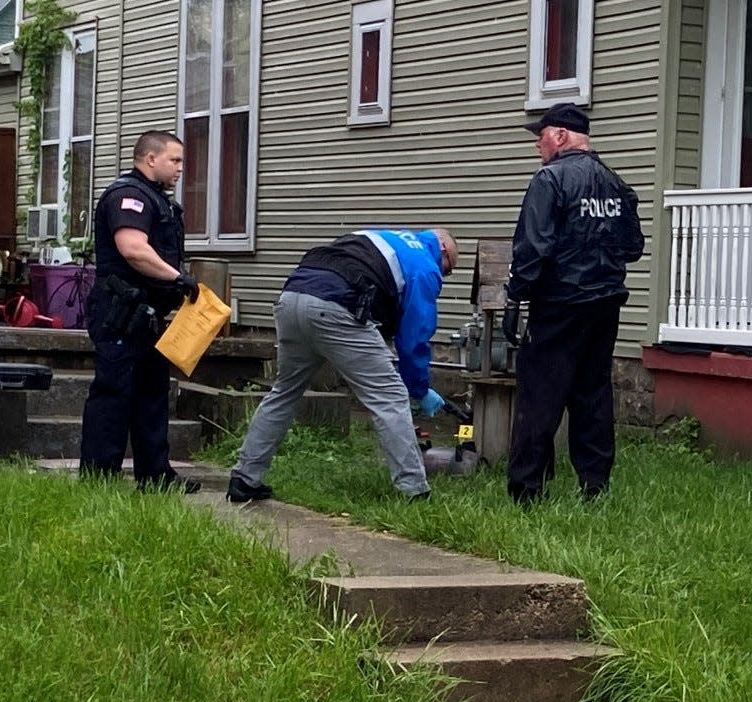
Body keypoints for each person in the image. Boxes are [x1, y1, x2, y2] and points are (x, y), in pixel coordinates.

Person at [226, 228, 459, 503]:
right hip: (337, 307)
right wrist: (419, 388)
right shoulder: (425, 264)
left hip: (292, 298)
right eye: (449, 268)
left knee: (285, 391)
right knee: (390, 397)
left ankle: (244, 479)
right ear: (443, 248)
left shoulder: (386, 239)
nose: (443, 275)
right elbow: (414, 338)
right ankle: (414, 491)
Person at [502, 102, 645, 504]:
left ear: (561, 136)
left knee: (540, 396)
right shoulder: (615, 184)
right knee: (593, 394)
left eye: (541, 136)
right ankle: (595, 487)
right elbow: (633, 247)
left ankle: (528, 492)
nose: (537, 146)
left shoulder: (550, 180)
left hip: (559, 304)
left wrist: (515, 298)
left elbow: (534, 247)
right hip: (605, 305)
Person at [79, 130, 201, 493]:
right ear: (150, 159)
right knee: (114, 394)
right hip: (121, 312)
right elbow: (133, 248)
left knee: (152, 395)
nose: (181, 169)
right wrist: (179, 278)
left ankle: (156, 477)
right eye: (174, 160)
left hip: (146, 315)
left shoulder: (156, 200)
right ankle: (99, 479)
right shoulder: (128, 195)